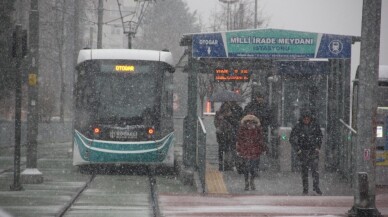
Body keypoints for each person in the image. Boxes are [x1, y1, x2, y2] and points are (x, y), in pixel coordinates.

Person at [289, 110, 323, 195]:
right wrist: (298, 149)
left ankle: (314, 187)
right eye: (305, 119)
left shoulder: (311, 126)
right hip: (304, 150)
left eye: (308, 119)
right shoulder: (300, 126)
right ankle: (307, 188)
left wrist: (318, 147)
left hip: (311, 150)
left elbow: (320, 136)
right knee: (306, 171)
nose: (306, 120)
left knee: (314, 170)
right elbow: (292, 138)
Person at [236, 114, 267, 190]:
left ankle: (251, 181)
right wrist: (239, 149)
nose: (250, 123)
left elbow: (261, 140)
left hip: (254, 151)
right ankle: (247, 182)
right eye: (248, 122)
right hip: (246, 151)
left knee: (253, 168)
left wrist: (263, 148)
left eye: (252, 122)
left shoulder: (257, 130)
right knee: (246, 168)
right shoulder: (243, 130)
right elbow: (239, 140)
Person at [214, 101, 242, 171]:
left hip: (228, 133)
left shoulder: (231, 114)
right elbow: (216, 123)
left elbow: (235, 123)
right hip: (222, 133)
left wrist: (228, 118)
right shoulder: (219, 113)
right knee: (223, 149)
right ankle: (223, 165)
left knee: (227, 149)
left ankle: (226, 164)